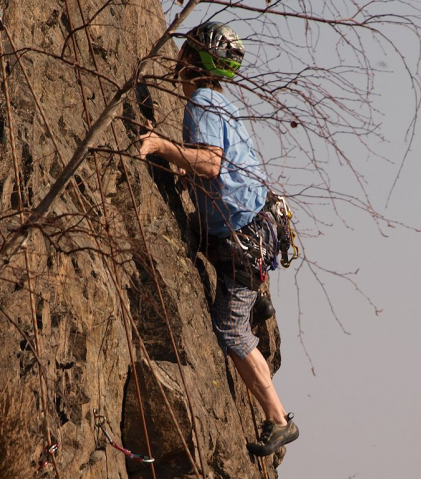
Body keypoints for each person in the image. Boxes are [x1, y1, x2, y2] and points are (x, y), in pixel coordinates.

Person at [139, 21, 299, 457]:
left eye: (185, 49)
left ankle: (278, 420)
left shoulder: (203, 104)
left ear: (192, 59)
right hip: (251, 227)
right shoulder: (218, 102)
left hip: (242, 237)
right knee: (201, 234)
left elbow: (209, 164)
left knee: (230, 330)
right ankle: (258, 299)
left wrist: (159, 146)